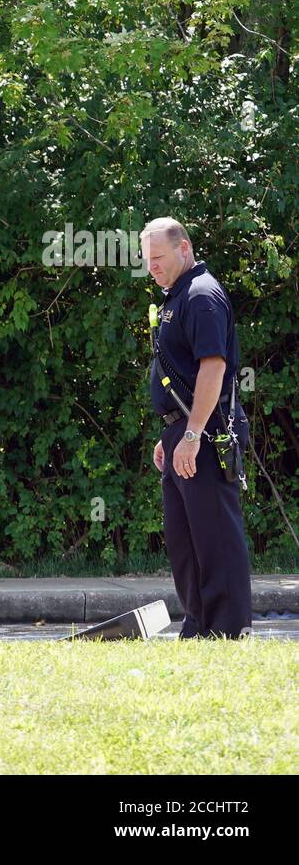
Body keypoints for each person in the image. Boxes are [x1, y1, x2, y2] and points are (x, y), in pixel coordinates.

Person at [143, 218, 252, 638]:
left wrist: (190, 435)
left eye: (158, 258)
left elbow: (213, 368)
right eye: (146, 260)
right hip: (183, 431)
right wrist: (170, 433)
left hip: (205, 434)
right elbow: (184, 375)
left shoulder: (202, 295)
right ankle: (199, 626)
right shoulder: (177, 296)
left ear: (183, 249)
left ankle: (228, 629)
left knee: (215, 536)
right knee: (185, 539)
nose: (151, 267)